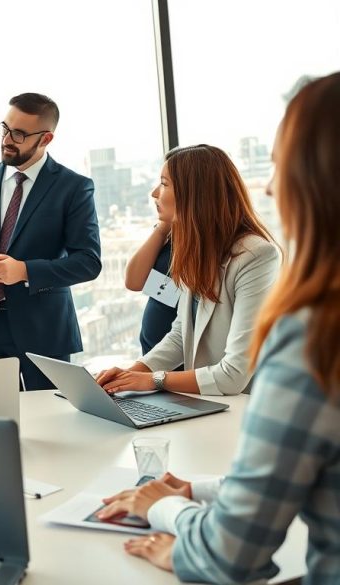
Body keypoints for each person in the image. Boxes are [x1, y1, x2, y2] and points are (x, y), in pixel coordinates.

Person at [95, 72, 340, 583]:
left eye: (280, 165)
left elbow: (229, 555)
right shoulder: (199, 251)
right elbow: (181, 337)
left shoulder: (316, 340)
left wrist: (161, 508)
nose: (271, 186)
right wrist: (197, 490)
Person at [0, 92, 101, 391]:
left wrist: (24, 271)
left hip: (44, 334)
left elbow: (88, 262)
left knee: (50, 429)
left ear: (46, 139)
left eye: (18, 134)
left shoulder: (74, 187)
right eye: (4, 128)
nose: (6, 139)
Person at [97, 145, 278, 396]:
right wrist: (127, 375)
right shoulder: (197, 248)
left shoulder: (257, 256)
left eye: (164, 184)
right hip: (205, 404)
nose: (154, 193)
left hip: (241, 409)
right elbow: (181, 335)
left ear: (194, 194)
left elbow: (233, 374)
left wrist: (152, 380)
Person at [125, 220, 180, 356]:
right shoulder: (172, 232)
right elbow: (134, 281)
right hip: (155, 355)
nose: (154, 197)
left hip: (179, 357)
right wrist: (162, 229)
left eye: (161, 196)